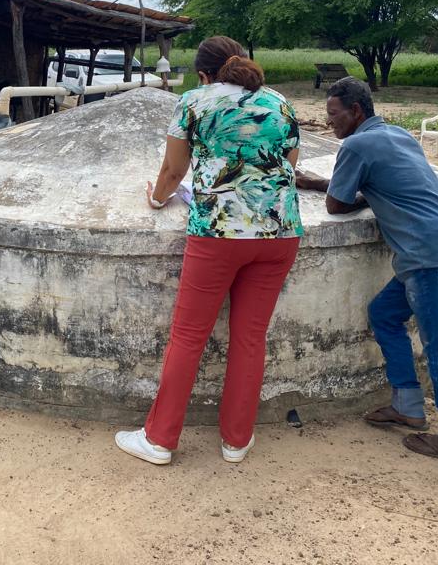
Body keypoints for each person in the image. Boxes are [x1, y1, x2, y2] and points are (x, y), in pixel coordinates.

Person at [115, 36, 303, 466]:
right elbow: (288, 163)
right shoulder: (279, 102)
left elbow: (173, 170)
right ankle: (237, 440)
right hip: (280, 233)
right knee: (250, 337)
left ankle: (159, 439)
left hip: (218, 235)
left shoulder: (193, 102)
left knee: (188, 336)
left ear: (203, 74)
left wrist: (157, 198)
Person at [296, 77, 438, 467]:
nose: (329, 122)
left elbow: (337, 205)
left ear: (355, 111)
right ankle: (407, 406)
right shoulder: (398, 135)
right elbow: (388, 185)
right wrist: (325, 184)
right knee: (384, 313)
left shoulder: (355, 145)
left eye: (333, 113)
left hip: (428, 256)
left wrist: (327, 189)